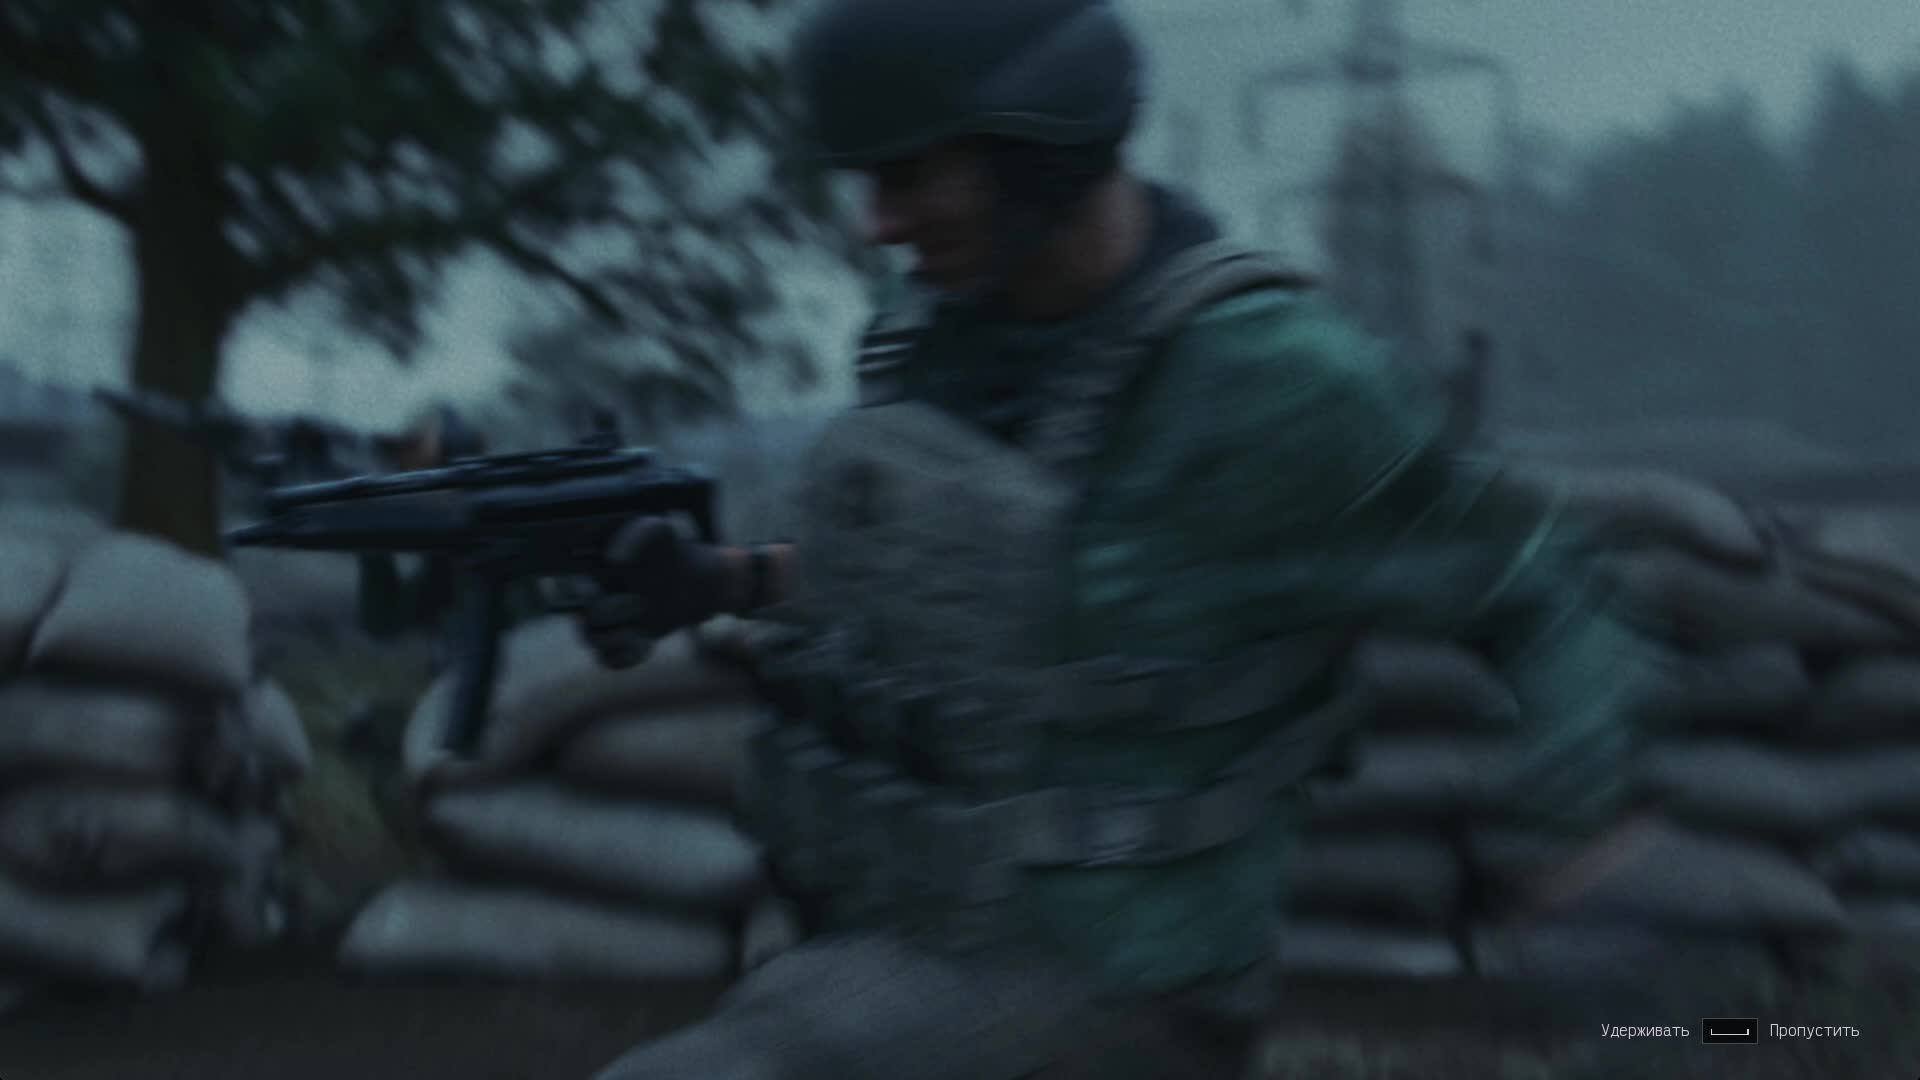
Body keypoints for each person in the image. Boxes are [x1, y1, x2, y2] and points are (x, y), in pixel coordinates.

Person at [573, 1, 1657, 1076]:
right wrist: (721, 579)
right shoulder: (930, 338)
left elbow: (1544, 589)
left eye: (910, 178)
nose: (877, 224)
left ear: (1039, 147)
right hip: (898, 928)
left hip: (1119, 976)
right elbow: (958, 590)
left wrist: (1573, 828)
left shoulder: (1273, 383)